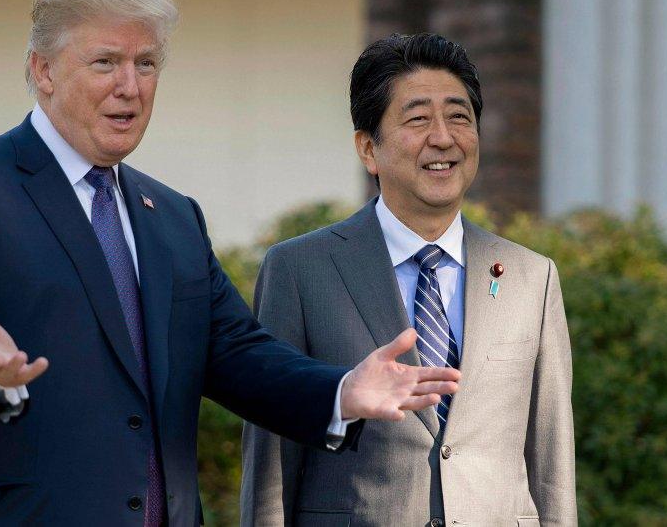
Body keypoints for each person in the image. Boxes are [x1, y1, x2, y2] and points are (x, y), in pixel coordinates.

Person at [0, 0, 461, 525]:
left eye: (146, 63)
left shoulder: (173, 217)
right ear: (43, 70)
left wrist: (339, 392)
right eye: (105, 61)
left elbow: (234, 351)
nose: (130, 85)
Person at [240, 32, 576, 527]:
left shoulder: (532, 277)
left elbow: (551, 467)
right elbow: (272, 465)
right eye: (418, 119)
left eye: (459, 116)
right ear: (368, 149)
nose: (443, 137)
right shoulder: (300, 269)